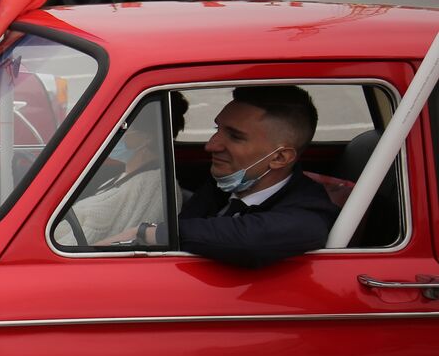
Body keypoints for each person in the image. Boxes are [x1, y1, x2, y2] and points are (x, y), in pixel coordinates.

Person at [138, 85, 338, 268]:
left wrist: (150, 233)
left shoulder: (308, 213)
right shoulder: (222, 185)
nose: (211, 145)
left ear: (279, 157)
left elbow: (250, 239)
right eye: (218, 129)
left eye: (235, 136)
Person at [55, 93, 186, 246]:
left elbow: (80, 245)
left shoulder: (155, 187)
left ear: (147, 137)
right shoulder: (128, 175)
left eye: (121, 128)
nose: (111, 134)